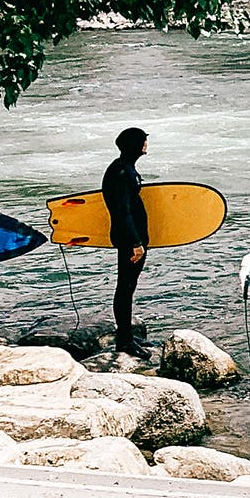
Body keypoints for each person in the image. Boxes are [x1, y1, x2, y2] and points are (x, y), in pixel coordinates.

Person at [103, 127, 152, 358]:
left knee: (128, 286)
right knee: (125, 287)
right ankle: (124, 341)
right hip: (129, 239)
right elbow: (122, 212)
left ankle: (127, 336)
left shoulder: (124, 168)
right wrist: (135, 242)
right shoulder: (122, 172)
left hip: (132, 237)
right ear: (136, 145)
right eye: (143, 141)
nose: (146, 144)